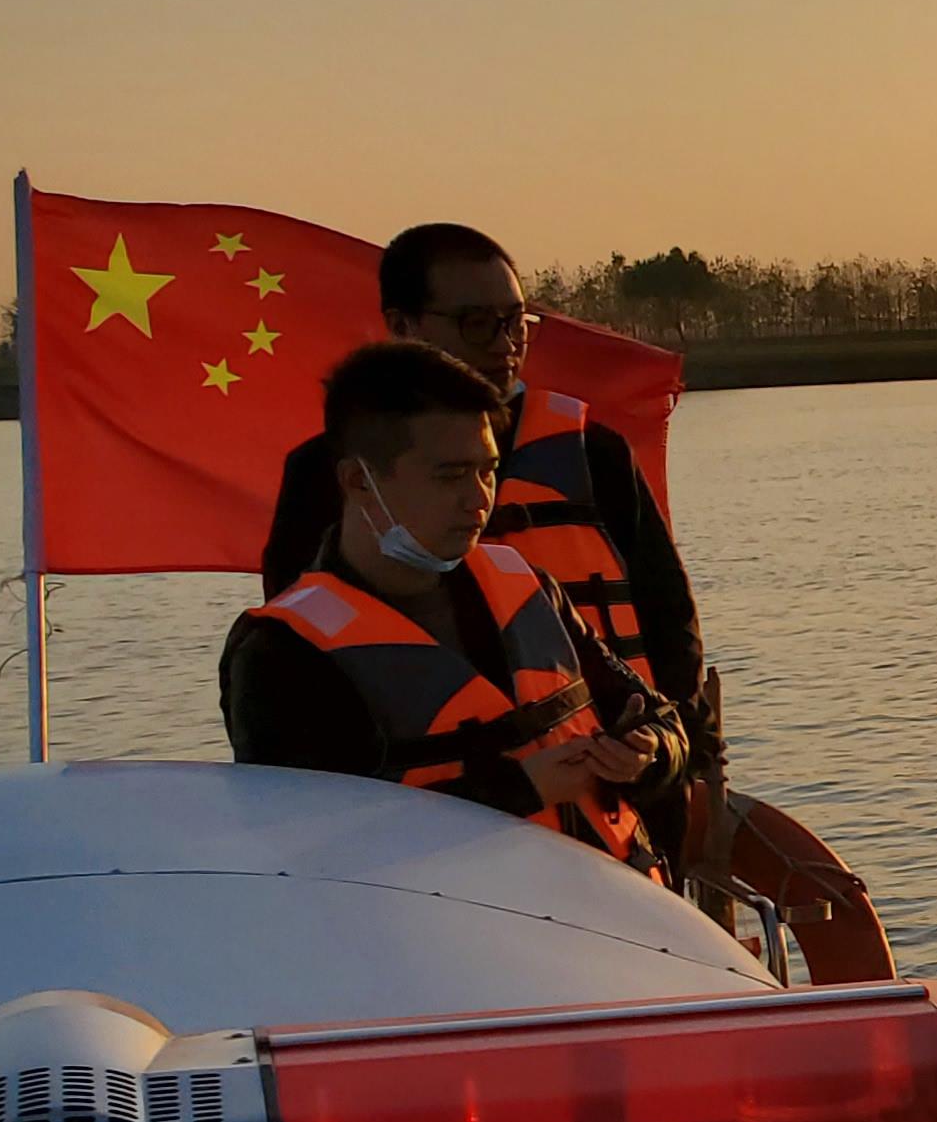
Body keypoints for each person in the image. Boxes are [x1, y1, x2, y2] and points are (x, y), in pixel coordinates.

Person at [261, 223, 718, 815]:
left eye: (518, 322)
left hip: (615, 807)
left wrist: (667, 751)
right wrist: (515, 789)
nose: (505, 343)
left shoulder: (592, 455)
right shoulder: (319, 491)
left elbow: (670, 626)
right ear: (402, 326)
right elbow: (308, 754)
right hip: (435, 847)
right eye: (478, 323)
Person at [222, 343, 693, 873]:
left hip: (615, 920)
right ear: (358, 481)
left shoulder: (525, 584)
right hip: (446, 943)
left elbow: (657, 713)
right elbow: (315, 849)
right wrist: (522, 789)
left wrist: (649, 750)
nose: (479, 499)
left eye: (487, 470)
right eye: (450, 475)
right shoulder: (282, 652)